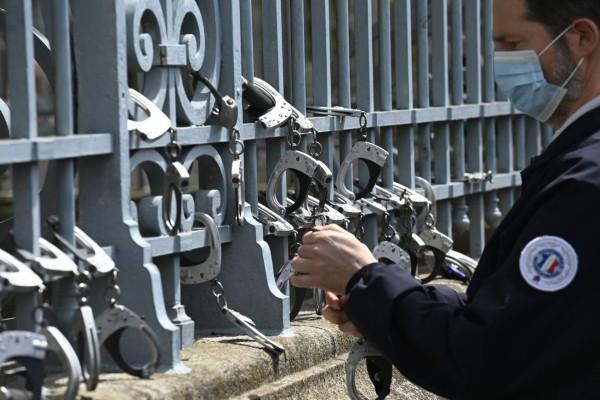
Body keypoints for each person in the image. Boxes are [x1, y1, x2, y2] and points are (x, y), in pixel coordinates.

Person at [290, 0, 600, 398]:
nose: (501, 62)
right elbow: (539, 324)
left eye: (512, 43)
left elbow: (489, 359)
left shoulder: (585, 185)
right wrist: (377, 302)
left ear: (582, 38)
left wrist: (363, 278)